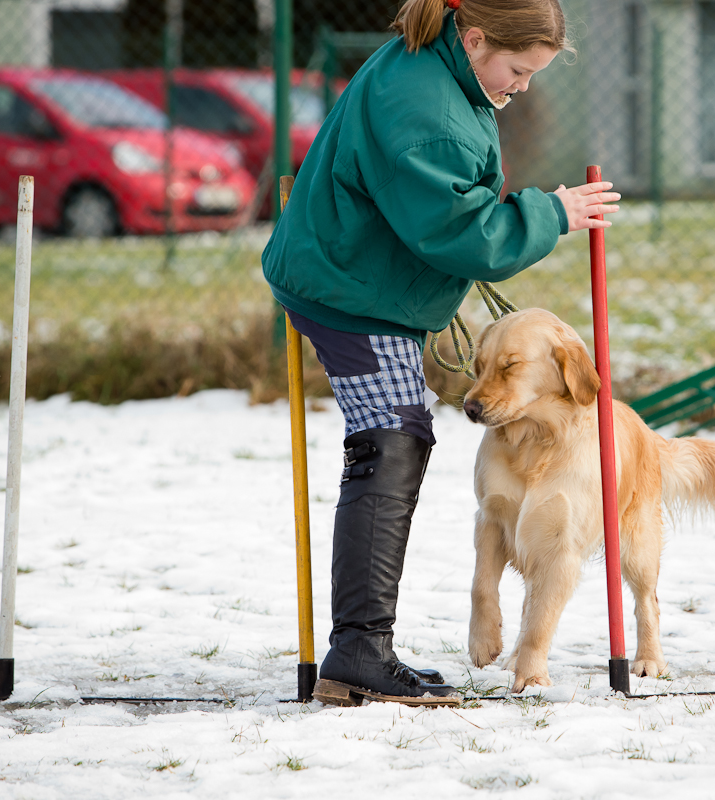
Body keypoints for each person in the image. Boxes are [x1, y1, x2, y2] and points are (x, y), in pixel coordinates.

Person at [261, 0, 621, 706]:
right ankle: (358, 653)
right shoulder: (428, 104)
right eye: (518, 70)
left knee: (399, 435)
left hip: (361, 275)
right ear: (477, 36)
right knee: (392, 439)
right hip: (348, 289)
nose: (521, 88)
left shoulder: (440, 69)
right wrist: (554, 212)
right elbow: (463, 232)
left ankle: (359, 650)